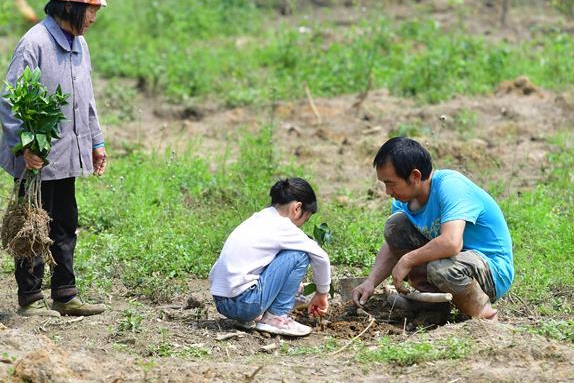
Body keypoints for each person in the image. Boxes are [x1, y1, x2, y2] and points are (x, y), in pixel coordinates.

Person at [0, 0, 109, 318]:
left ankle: (65, 294)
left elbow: (86, 98)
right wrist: (25, 146)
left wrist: (96, 141)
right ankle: (30, 299)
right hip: (37, 157)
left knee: (64, 222)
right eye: (91, 10)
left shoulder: (79, 44)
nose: (93, 18)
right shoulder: (35, 44)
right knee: (33, 224)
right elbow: (10, 100)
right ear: (71, 7)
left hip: (67, 153)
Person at [351, 137, 513, 321]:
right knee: (395, 226)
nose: (388, 192)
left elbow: (451, 243)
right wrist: (370, 282)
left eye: (391, 183)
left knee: (441, 268)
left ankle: (485, 315)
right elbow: (392, 245)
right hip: (452, 264)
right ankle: (434, 306)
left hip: (491, 271)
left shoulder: (451, 186)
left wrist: (407, 260)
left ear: (415, 176)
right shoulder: (404, 201)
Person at [209, 178, 332, 337]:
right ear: (297, 208)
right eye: (305, 219)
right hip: (245, 304)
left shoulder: (257, 220)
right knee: (300, 254)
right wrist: (322, 293)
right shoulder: (284, 227)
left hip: (221, 301)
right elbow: (322, 257)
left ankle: (250, 315)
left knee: (276, 254)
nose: (301, 225)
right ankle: (276, 318)